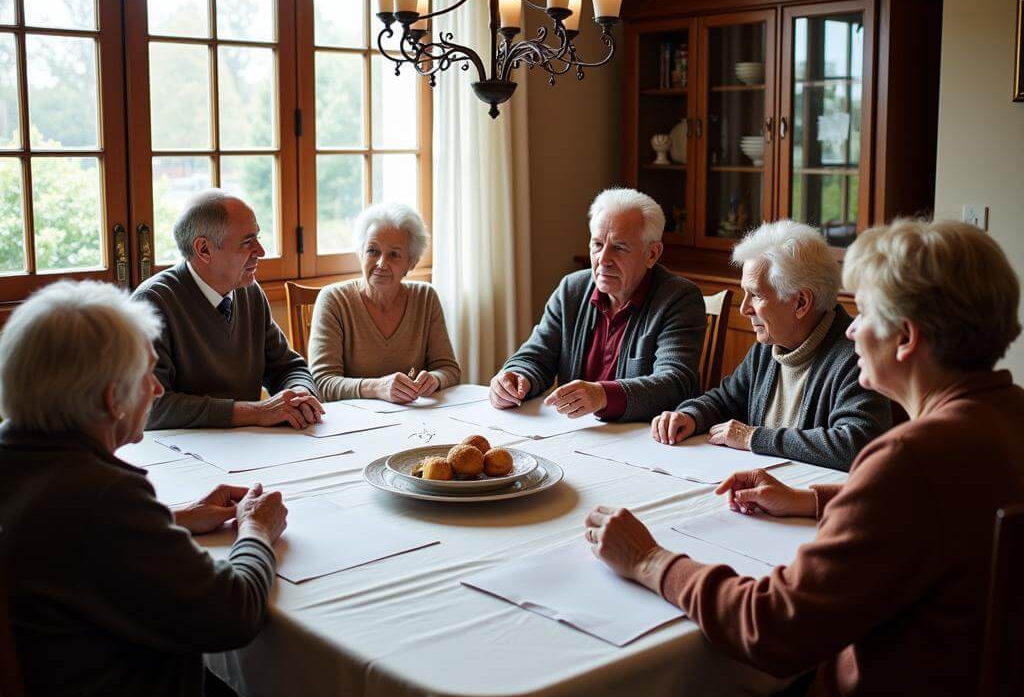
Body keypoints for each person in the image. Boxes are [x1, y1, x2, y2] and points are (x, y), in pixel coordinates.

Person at [586, 218, 1024, 697]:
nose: (849, 333)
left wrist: (649, 560)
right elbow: (948, 508)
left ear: (907, 338)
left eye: (863, 314)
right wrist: (817, 497)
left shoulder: (907, 461)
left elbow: (772, 627)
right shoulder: (1005, 419)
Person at [0, 280, 296, 697]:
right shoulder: (105, 495)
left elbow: (62, 542)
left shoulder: (19, 456)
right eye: (146, 375)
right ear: (113, 398)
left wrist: (174, 519)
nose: (157, 391)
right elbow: (233, 616)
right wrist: (256, 530)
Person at [651, 220, 890, 470]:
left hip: (812, 501)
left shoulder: (856, 356)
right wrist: (690, 416)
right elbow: (725, 400)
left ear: (801, 303)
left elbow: (857, 443)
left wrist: (753, 437)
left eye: (756, 295)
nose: (744, 308)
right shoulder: (769, 347)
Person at [490, 188, 705, 422]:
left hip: (643, 441)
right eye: (598, 244)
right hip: (575, 432)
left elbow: (675, 382)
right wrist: (515, 377)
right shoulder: (572, 289)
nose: (603, 259)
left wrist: (603, 396)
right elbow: (536, 356)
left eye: (619, 247)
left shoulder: (679, 298)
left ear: (652, 254)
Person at [133, 190, 322, 430]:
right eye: (247, 242)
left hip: (246, 446)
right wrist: (255, 412)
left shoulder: (249, 292)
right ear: (204, 250)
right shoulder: (152, 303)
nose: (261, 251)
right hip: (181, 454)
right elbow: (150, 407)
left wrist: (299, 395)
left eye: (258, 238)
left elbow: (288, 367)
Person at [308, 202, 460, 402]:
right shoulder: (334, 300)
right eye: (373, 251)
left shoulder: (425, 297)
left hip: (413, 420)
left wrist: (434, 379)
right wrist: (376, 387)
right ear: (360, 253)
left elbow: (449, 369)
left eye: (394, 254)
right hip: (351, 424)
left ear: (410, 264)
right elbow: (322, 383)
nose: (381, 263)